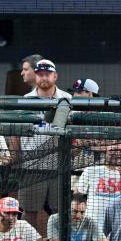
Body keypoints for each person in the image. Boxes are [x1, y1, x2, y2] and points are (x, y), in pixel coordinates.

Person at [17, 59, 72, 230]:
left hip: (59, 165)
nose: (44, 78)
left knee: (60, 211)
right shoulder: (26, 100)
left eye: (47, 74)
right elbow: (17, 132)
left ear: (55, 76)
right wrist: (18, 159)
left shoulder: (67, 98)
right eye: (40, 74)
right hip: (33, 166)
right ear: (36, 76)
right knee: (29, 211)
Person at [75, 141, 121, 231]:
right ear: (106, 149)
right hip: (94, 225)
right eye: (113, 150)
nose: (117, 154)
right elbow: (78, 195)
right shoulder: (91, 170)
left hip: (120, 225)